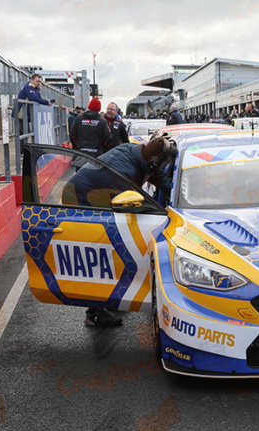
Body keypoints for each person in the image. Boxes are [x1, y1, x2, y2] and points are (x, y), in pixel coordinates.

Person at [62, 136, 177, 327]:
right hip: (79, 200)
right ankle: (94, 313)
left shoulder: (140, 153)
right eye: (163, 164)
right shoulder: (124, 172)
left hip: (97, 194)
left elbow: (160, 178)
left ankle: (112, 298)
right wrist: (161, 212)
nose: (163, 167)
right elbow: (135, 202)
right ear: (155, 161)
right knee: (101, 253)